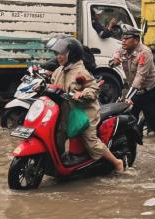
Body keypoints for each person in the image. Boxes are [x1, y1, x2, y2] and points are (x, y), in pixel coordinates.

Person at [46, 35, 124, 172]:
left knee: (91, 141)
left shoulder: (80, 72)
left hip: (85, 112)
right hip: (65, 111)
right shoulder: (59, 70)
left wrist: (82, 93)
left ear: (72, 54)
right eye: (57, 53)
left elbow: (94, 89)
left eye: (63, 54)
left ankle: (117, 162)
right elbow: (53, 85)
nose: (59, 57)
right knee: (57, 134)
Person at [113, 25, 155, 152]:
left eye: (126, 38)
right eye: (122, 38)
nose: (123, 41)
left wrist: (128, 97)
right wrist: (115, 58)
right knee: (127, 120)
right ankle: (129, 150)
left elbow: (140, 77)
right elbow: (117, 52)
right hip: (135, 91)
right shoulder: (124, 49)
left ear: (135, 39)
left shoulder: (145, 53)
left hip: (151, 91)